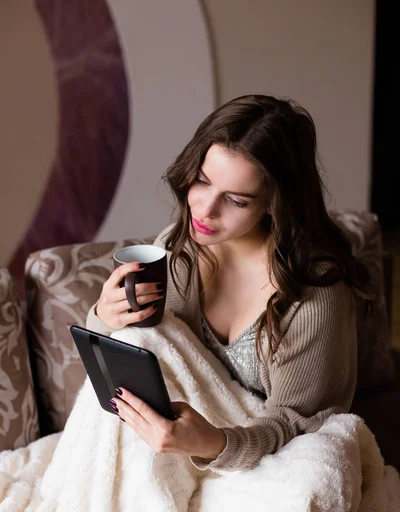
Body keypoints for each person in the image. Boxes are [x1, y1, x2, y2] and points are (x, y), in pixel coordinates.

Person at [86, 94, 374, 472]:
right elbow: (145, 356)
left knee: (317, 479)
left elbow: (301, 425)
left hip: (262, 457)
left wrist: (214, 443)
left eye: (236, 200)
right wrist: (104, 318)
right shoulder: (176, 250)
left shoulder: (314, 294)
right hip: (173, 451)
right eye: (202, 181)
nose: (204, 210)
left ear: (274, 202)